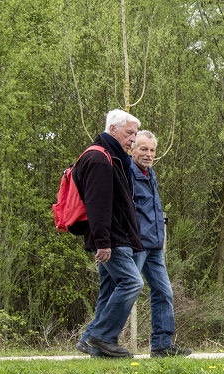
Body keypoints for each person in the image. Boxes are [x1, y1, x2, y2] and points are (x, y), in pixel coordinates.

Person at [74, 109, 145, 358]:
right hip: (111, 238)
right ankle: (101, 336)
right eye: (129, 133)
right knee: (132, 282)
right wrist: (103, 242)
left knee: (110, 288)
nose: (133, 139)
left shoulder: (112, 157)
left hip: (116, 235)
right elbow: (98, 204)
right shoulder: (99, 159)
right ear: (112, 129)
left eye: (135, 134)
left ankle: (96, 348)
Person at [127, 130, 190, 357]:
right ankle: (102, 341)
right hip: (135, 244)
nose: (149, 154)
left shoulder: (149, 173)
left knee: (164, 291)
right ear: (132, 149)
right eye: (143, 149)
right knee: (124, 291)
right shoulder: (127, 173)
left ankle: (162, 345)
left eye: (152, 150)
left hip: (154, 245)